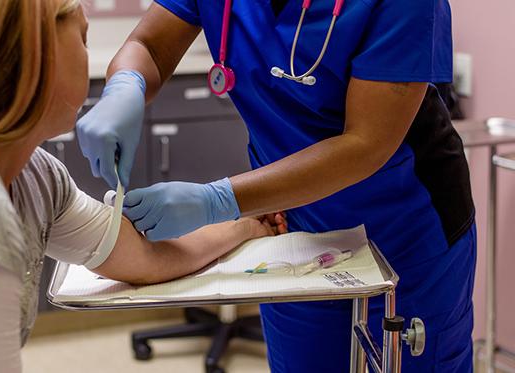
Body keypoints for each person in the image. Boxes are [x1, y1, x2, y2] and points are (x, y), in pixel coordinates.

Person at [77, 0, 477, 371]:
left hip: (406, 233)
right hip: (294, 229)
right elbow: (148, 44)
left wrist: (217, 200)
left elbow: (367, 144)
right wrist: (125, 85)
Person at [0, 1, 287, 372]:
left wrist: (246, 223)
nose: (90, 53)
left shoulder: (38, 176)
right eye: (83, 37)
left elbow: (143, 258)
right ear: (34, 53)